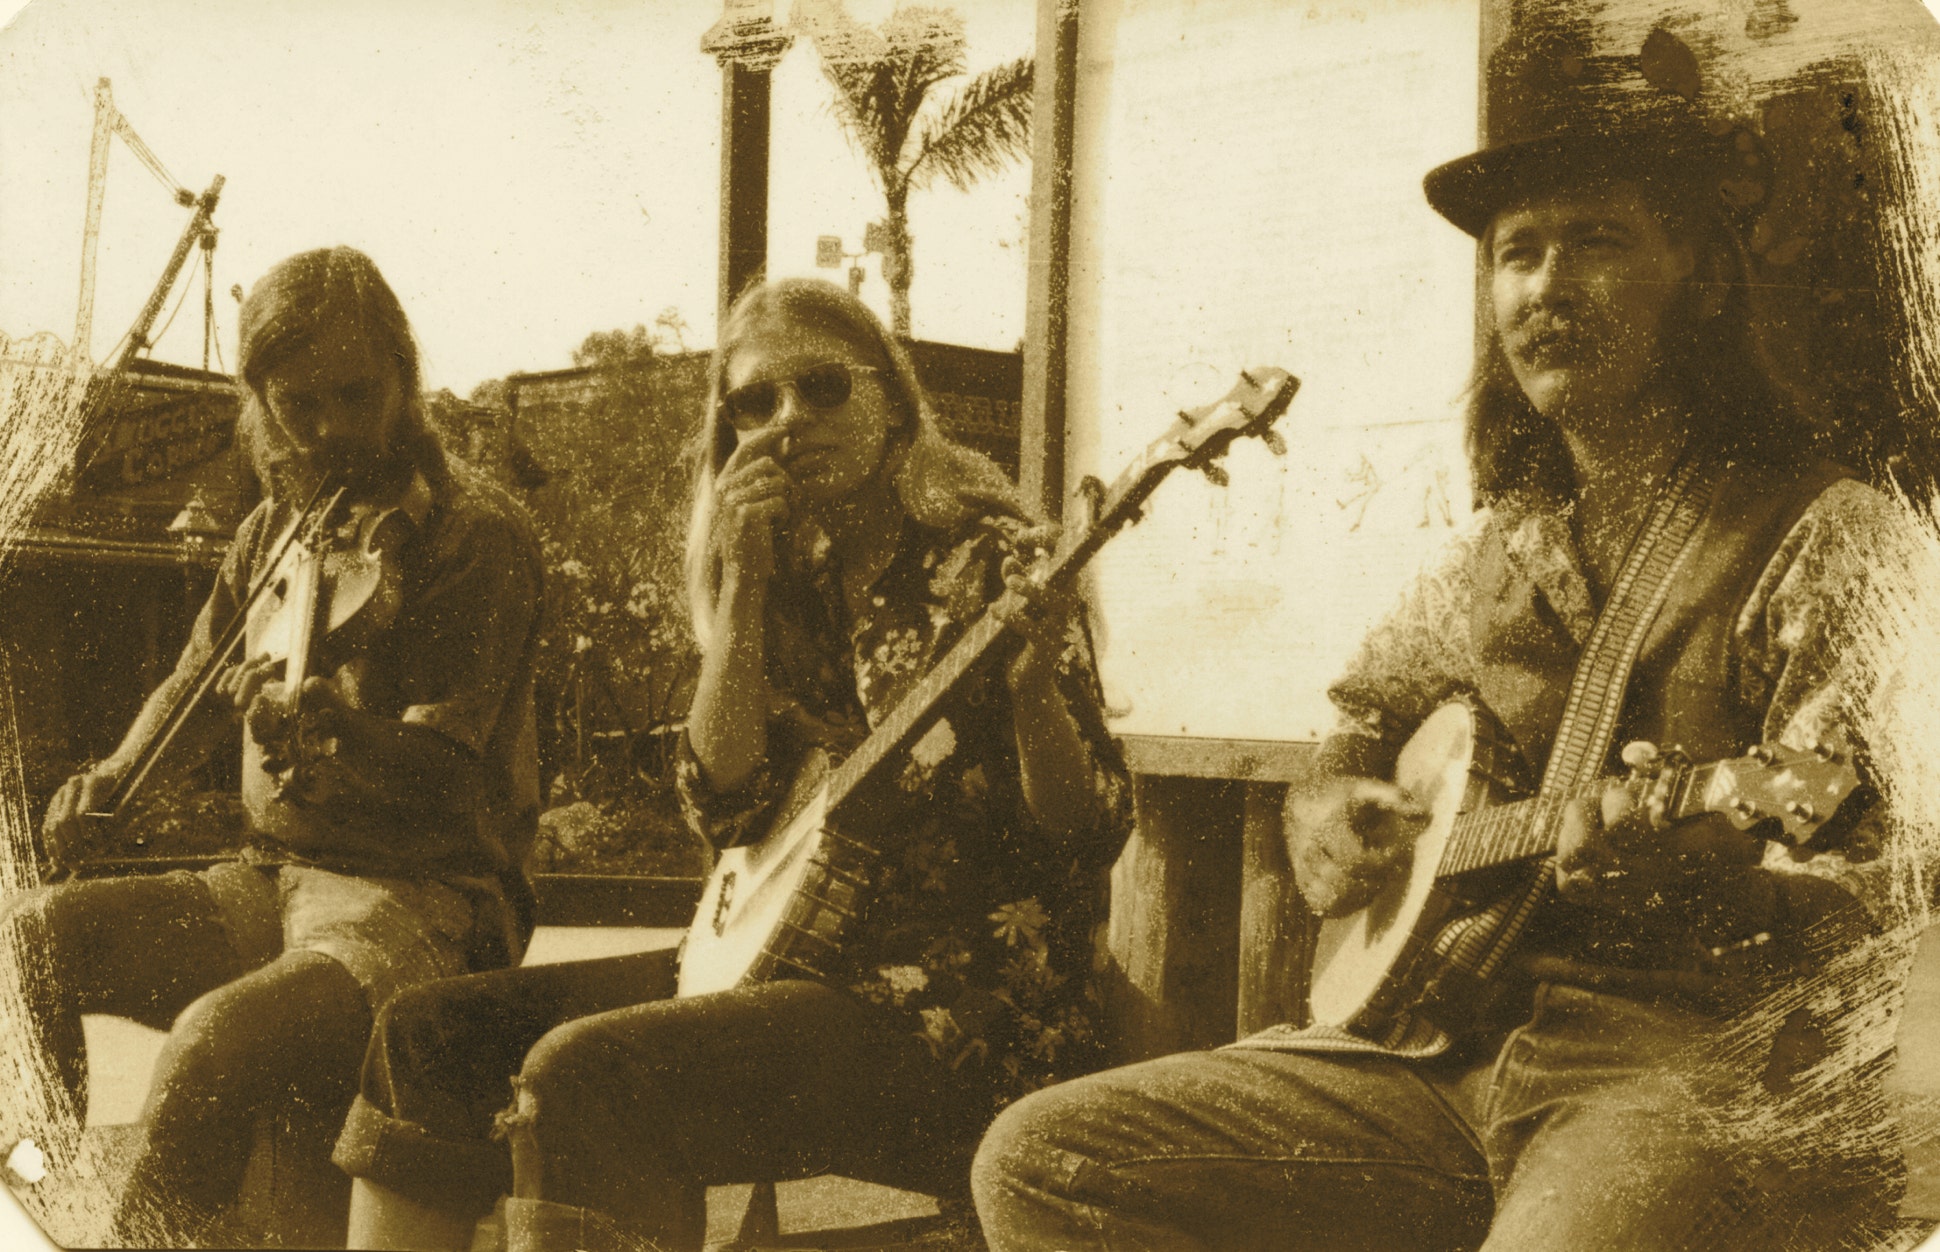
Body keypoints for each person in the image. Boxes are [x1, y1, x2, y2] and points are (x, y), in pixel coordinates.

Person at [971, 22, 1911, 1252]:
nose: (1543, 286)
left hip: (1681, 1068)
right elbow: (1363, 709)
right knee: (1045, 1160)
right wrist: (1328, 800)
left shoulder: (1831, 537)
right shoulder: (1501, 553)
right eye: (1515, 253)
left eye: (1595, 239)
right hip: (1444, 1048)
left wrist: (1697, 866)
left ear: (1698, 271)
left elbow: (1876, 876)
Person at [331, 276, 1134, 1252]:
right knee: (426, 1036)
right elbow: (721, 809)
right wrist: (742, 585)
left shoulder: (993, 558)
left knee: (587, 1073)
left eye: (823, 387)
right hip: (772, 955)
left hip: (955, 1013)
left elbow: (1088, 832)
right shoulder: (780, 563)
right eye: (756, 401)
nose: (790, 418)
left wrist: (1031, 696)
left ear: (890, 395)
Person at [2, 246, 545, 1246]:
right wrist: (112, 778)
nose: (332, 428)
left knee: (215, 1040)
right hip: (275, 876)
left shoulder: (477, 534)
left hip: (428, 898)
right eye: (301, 404)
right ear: (260, 403)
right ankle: (52, 1211)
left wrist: (348, 734)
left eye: (357, 394)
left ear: (404, 375)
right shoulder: (269, 534)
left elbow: (451, 773)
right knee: (27, 941)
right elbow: (193, 681)